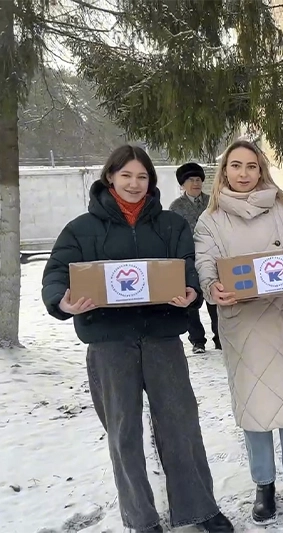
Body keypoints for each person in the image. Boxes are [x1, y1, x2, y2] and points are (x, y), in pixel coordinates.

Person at [40, 145, 233, 533]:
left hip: (162, 338)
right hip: (109, 344)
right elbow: (57, 273)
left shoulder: (170, 225)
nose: (134, 184)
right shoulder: (81, 229)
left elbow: (189, 269)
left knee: (181, 425)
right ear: (109, 177)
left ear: (151, 181)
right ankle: (141, 519)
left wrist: (191, 292)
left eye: (141, 177)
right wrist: (61, 300)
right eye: (126, 175)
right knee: (124, 432)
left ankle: (199, 508)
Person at [193, 140, 283, 525]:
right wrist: (213, 287)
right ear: (224, 171)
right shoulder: (210, 220)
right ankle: (264, 485)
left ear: (262, 171)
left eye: (252, 166)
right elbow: (205, 262)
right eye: (236, 166)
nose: (244, 174)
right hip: (246, 325)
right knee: (255, 411)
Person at [169, 162, 220, 354]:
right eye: (191, 180)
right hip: (188, 258)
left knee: (215, 298)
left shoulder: (213, 202)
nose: (196, 183)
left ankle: (220, 337)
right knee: (191, 300)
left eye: (198, 179)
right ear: (183, 184)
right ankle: (197, 340)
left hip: (213, 257)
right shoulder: (176, 207)